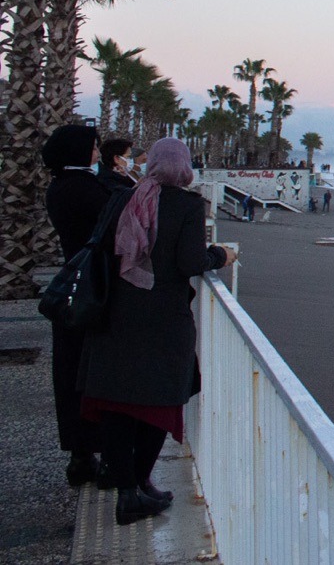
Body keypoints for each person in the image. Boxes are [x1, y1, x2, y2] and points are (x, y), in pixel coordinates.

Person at [78, 137, 236, 525]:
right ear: (183, 167)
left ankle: (129, 490)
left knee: (117, 401)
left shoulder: (124, 198)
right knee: (159, 402)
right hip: (163, 319)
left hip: (115, 315)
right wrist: (222, 254)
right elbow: (190, 262)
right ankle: (137, 485)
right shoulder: (187, 205)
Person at [40, 124, 112, 488]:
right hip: (92, 290)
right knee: (92, 373)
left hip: (73, 288)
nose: (98, 152)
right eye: (94, 147)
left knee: (69, 374)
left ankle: (80, 455)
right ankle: (96, 453)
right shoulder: (85, 189)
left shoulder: (59, 187)